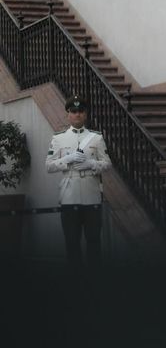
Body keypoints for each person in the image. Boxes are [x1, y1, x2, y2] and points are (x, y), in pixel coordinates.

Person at [46, 95, 112, 267]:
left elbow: (107, 163)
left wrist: (91, 163)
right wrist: (68, 159)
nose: (77, 114)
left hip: (92, 195)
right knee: (72, 242)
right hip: (70, 196)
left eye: (80, 111)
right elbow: (49, 166)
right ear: (68, 114)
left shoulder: (96, 138)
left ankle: (94, 281)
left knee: (94, 242)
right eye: (73, 111)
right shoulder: (58, 138)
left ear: (86, 114)